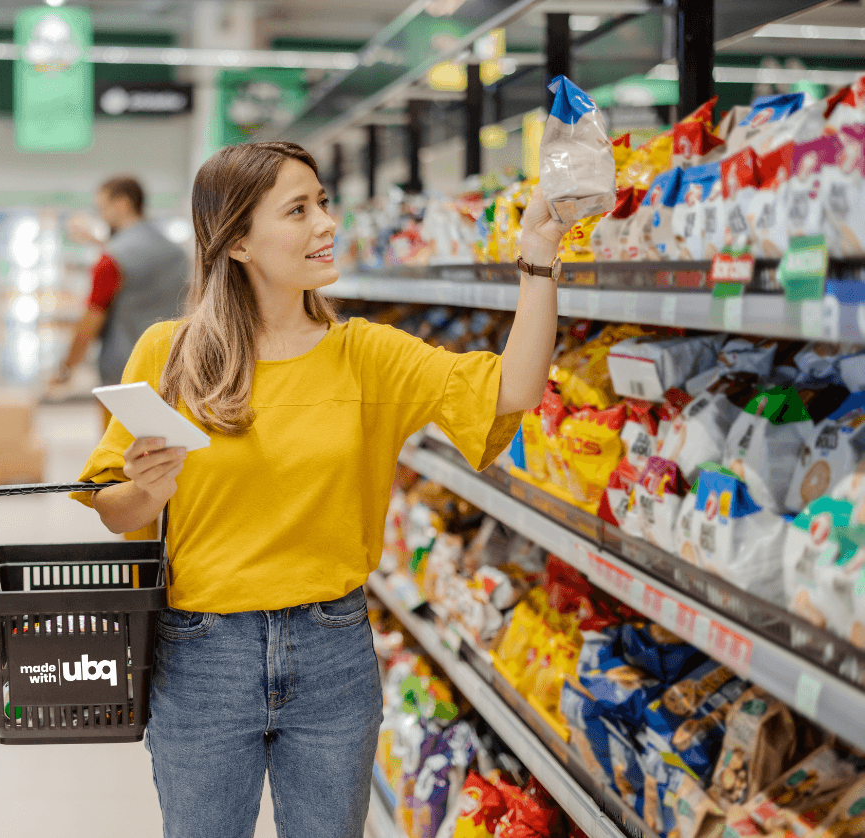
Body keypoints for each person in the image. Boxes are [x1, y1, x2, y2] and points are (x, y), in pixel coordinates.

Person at [72, 141, 567, 837]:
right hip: (202, 654)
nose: (326, 224)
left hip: (332, 651)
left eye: (324, 204)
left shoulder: (366, 354)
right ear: (238, 241)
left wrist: (538, 259)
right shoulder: (170, 352)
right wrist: (145, 492)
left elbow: (514, 388)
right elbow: (112, 508)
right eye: (298, 209)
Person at [51, 176, 189, 396]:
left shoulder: (111, 260)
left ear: (122, 204)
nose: (101, 215)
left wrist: (65, 370)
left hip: (124, 375)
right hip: (173, 368)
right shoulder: (177, 254)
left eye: (102, 208)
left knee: (120, 432)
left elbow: (91, 321)